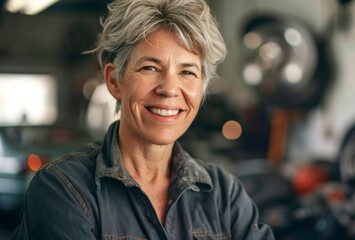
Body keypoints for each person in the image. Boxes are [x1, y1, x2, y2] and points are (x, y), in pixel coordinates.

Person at [14, 0, 274, 239]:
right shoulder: (63, 189)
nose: (169, 89)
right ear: (114, 80)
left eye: (187, 72)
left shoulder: (224, 196)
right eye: (150, 68)